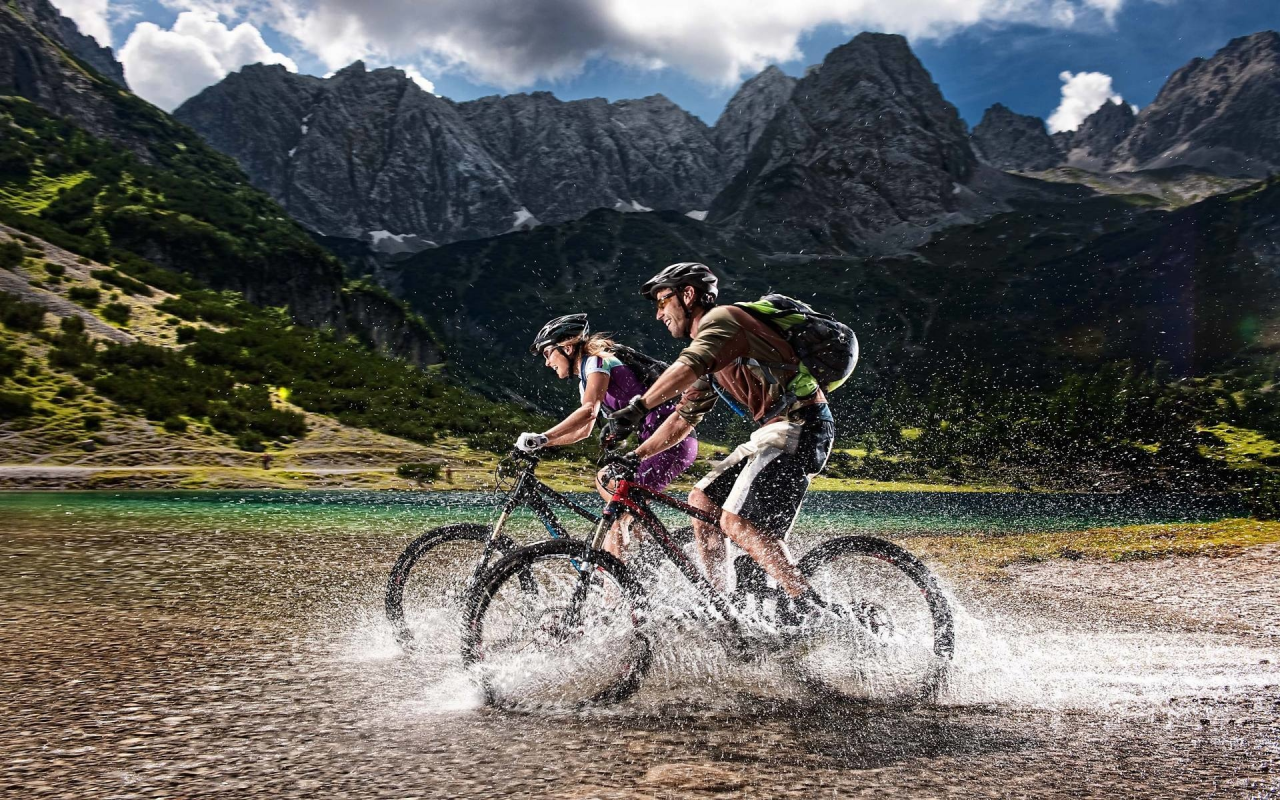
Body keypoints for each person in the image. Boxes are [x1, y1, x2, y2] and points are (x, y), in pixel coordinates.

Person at [600, 262, 835, 623]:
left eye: (663, 301)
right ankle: (724, 605)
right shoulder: (711, 354)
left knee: (735, 520)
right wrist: (636, 456)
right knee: (703, 501)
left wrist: (637, 408)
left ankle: (811, 605)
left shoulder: (723, 320)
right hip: (773, 432)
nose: (659, 313)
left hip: (800, 426)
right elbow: (682, 418)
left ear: (688, 294)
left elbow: (687, 366)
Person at [515, 313, 698, 558]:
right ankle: (641, 553)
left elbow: (589, 412)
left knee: (610, 493)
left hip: (671, 440)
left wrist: (544, 436)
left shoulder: (597, 361)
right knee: (619, 499)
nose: (547, 362)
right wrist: (542, 444)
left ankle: (617, 584)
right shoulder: (586, 376)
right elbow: (583, 430)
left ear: (567, 347)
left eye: (548, 353)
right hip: (660, 444)